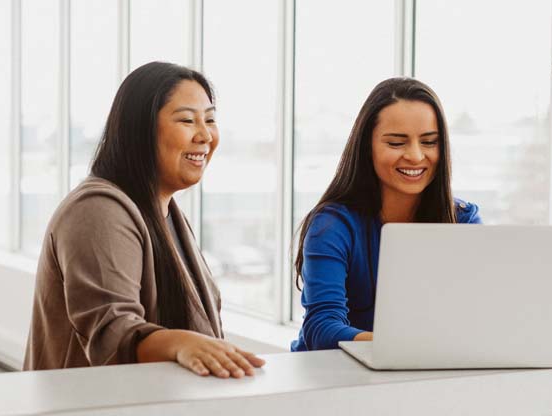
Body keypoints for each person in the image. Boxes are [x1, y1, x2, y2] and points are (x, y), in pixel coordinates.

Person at [24, 61, 265, 378]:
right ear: (141, 128)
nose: (205, 135)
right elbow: (112, 332)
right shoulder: (98, 209)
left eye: (210, 119)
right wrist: (181, 343)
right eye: (187, 120)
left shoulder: (166, 212)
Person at [291, 77, 481, 352]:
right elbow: (321, 328)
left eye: (429, 142)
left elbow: (478, 314)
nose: (416, 156)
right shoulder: (331, 226)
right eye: (395, 143)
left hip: (420, 375)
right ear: (367, 146)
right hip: (335, 378)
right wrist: (408, 346)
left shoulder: (462, 220)